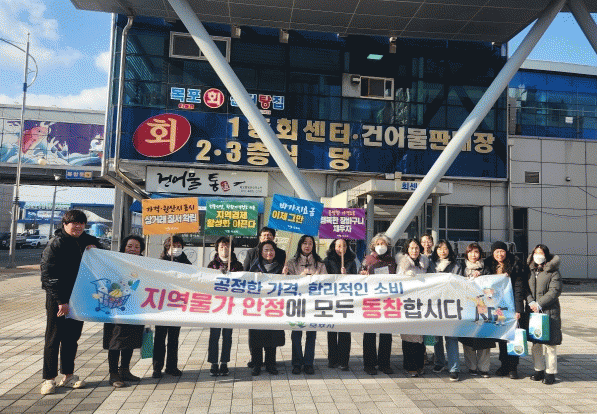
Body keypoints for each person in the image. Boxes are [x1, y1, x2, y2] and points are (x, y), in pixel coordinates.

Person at [40, 209, 102, 395]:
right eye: (74, 223)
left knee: (71, 338)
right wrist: (61, 300)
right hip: (58, 299)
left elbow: (104, 257)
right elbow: (48, 274)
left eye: (82, 223)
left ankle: (68, 376)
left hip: (79, 297)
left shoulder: (88, 240)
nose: (78, 226)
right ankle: (49, 379)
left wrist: (96, 249)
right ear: (65, 224)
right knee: (53, 338)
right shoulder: (56, 243)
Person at [103, 235, 146, 388]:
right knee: (115, 340)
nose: (133, 249)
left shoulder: (145, 264)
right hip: (116, 307)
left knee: (131, 339)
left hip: (135, 308)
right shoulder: (115, 261)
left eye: (137, 247)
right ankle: (113, 374)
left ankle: (125, 370)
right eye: (130, 246)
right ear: (124, 247)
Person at [284, 235, 326, 375]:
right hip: (297, 303)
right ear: (300, 245)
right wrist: (289, 275)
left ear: (313, 246)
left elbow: (325, 282)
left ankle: (308, 363)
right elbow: (286, 284)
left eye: (310, 243)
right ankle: (296, 362)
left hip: (312, 304)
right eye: (304, 243)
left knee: (311, 335)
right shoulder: (291, 263)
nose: (307, 246)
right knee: (296, 334)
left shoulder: (319, 264)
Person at [485, 241, 527, 379]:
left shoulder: (515, 264)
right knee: (501, 336)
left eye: (502, 251)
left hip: (511, 306)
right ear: (493, 253)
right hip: (497, 307)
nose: (500, 254)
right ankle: (504, 365)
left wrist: (518, 309)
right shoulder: (488, 264)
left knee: (512, 336)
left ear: (506, 251)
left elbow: (519, 289)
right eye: (497, 251)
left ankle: (513, 367)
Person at [152, 235, 191, 379]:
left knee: (174, 339)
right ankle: (157, 367)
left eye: (179, 246)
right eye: (174, 246)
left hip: (177, 305)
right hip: (162, 306)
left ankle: (171, 366)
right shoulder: (160, 262)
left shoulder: (186, 262)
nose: (177, 248)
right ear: (167, 247)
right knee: (159, 338)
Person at [360, 233, 397, 375]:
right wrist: (362, 275)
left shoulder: (392, 261)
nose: (381, 246)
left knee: (386, 334)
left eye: (383, 244)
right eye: (378, 244)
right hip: (371, 300)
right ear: (373, 246)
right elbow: (359, 275)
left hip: (387, 301)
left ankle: (384, 364)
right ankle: (369, 364)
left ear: (388, 246)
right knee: (369, 334)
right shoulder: (367, 260)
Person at [247, 240, 286, 375]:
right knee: (256, 337)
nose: (269, 252)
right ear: (261, 252)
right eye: (266, 250)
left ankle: (270, 364)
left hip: (273, 307)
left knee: (272, 336)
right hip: (257, 307)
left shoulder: (281, 267)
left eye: (271, 250)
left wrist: (285, 276)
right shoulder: (254, 267)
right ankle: (256, 364)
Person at [206, 237, 243, 377]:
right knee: (214, 336)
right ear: (217, 249)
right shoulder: (212, 265)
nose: (224, 249)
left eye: (227, 246)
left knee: (227, 336)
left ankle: (224, 363)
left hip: (231, 306)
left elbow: (243, 283)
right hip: (216, 306)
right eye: (221, 246)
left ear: (232, 248)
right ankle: (213, 363)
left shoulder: (238, 265)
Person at [526, 244, 562, 385]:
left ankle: (550, 372)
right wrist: (531, 302)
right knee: (536, 343)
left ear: (546, 255)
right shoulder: (529, 270)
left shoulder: (553, 272)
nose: (538, 255)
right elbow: (525, 288)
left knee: (550, 344)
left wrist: (539, 304)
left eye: (541, 253)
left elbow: (555, 291)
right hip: (533, 311)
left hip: (549, 311)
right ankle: (538, 370)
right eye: (536, 253)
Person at [458, 242, 495, 378]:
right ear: (466, 254)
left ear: (480, 254)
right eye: (470, 252)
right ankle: (471, 367)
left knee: (484, 337)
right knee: (468, 337)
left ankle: (484, 367)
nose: (473, 255)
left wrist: (482, 278)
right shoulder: (461, 268)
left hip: (483, 307)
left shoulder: (486, 269)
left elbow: (492, 287)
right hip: (467, 307)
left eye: (476, 252)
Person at [428, 240, 462, 381]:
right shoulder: (431, 264)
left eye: (445, 248)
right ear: (436, 251)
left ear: (449, 250)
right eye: (440, 248)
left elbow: (458, 284)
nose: (443, 251)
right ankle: (439, 362)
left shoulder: (456, 266)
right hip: (435, 304)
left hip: (451, 304)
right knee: (437, 336)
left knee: (451, 337)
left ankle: (454, 368)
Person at [323, 239, 357, 370]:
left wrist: (347, 275)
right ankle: (332, 360)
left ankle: (344, 361)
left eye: (344, 245)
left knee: (345, 331)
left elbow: (356, 279)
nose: (341, 248)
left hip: (345, 300)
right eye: (338, 246)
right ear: (334, 247)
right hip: (331, 299)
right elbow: (324, 278)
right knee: (332, 331)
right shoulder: (327, 261)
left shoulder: (351, 261)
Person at [397, 238, 427, 377]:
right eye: (411, 248)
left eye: (416, 248)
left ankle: (420, 365)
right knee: (408, 337)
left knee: (420, 337)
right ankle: (410, 366)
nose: (414, 250)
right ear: (407, 249)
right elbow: (397, 282)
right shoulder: (403, 264)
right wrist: (405, 277)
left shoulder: (424, 263)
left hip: (422, 303)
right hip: (407, 303)